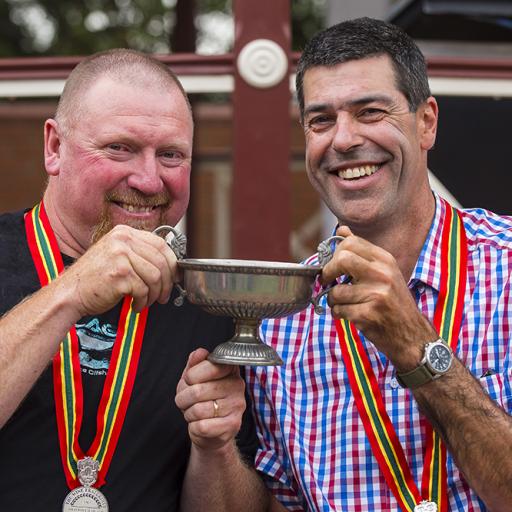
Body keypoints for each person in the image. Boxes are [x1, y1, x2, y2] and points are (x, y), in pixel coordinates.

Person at [245, 17, 512, 511]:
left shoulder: (506, 271)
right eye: (320, 120)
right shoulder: (282, 323)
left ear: (426, 121)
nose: (343, 139)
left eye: (370, 111)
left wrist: (416, 344)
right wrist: (212, 441)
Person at [0, 48, 270, 511]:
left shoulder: (207, 301)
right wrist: (72, 290)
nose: (148, 180)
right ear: (54, 147)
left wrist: (215, 448)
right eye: (119, 148)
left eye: (170, 155)